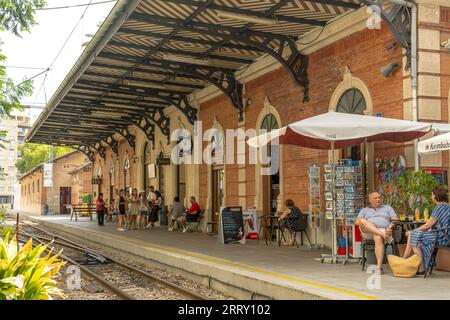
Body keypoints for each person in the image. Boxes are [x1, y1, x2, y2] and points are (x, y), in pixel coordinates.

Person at [403, 186, 450, 275]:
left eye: (432, 195)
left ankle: (418, 267)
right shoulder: (448, 207)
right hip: (446, 236)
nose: (431, 197)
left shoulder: (439, 208)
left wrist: (414, 231)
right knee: (415, 235)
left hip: (441, 237)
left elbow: (427, 225)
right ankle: (406, 260)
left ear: (436, 196)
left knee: (414, 235)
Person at [356, 191, 398, 275]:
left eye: (379, 197)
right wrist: (369, 224)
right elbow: (357, 221)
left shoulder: (387, 208)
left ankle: (379, 267)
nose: (378, 199)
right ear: (370, 200)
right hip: (368, 232)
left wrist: (390, 227)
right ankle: (383, 235)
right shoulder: (364, 210)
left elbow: (395, 219)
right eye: (375, 198)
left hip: (383, 230)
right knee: (364, 221)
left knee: (378, 237)